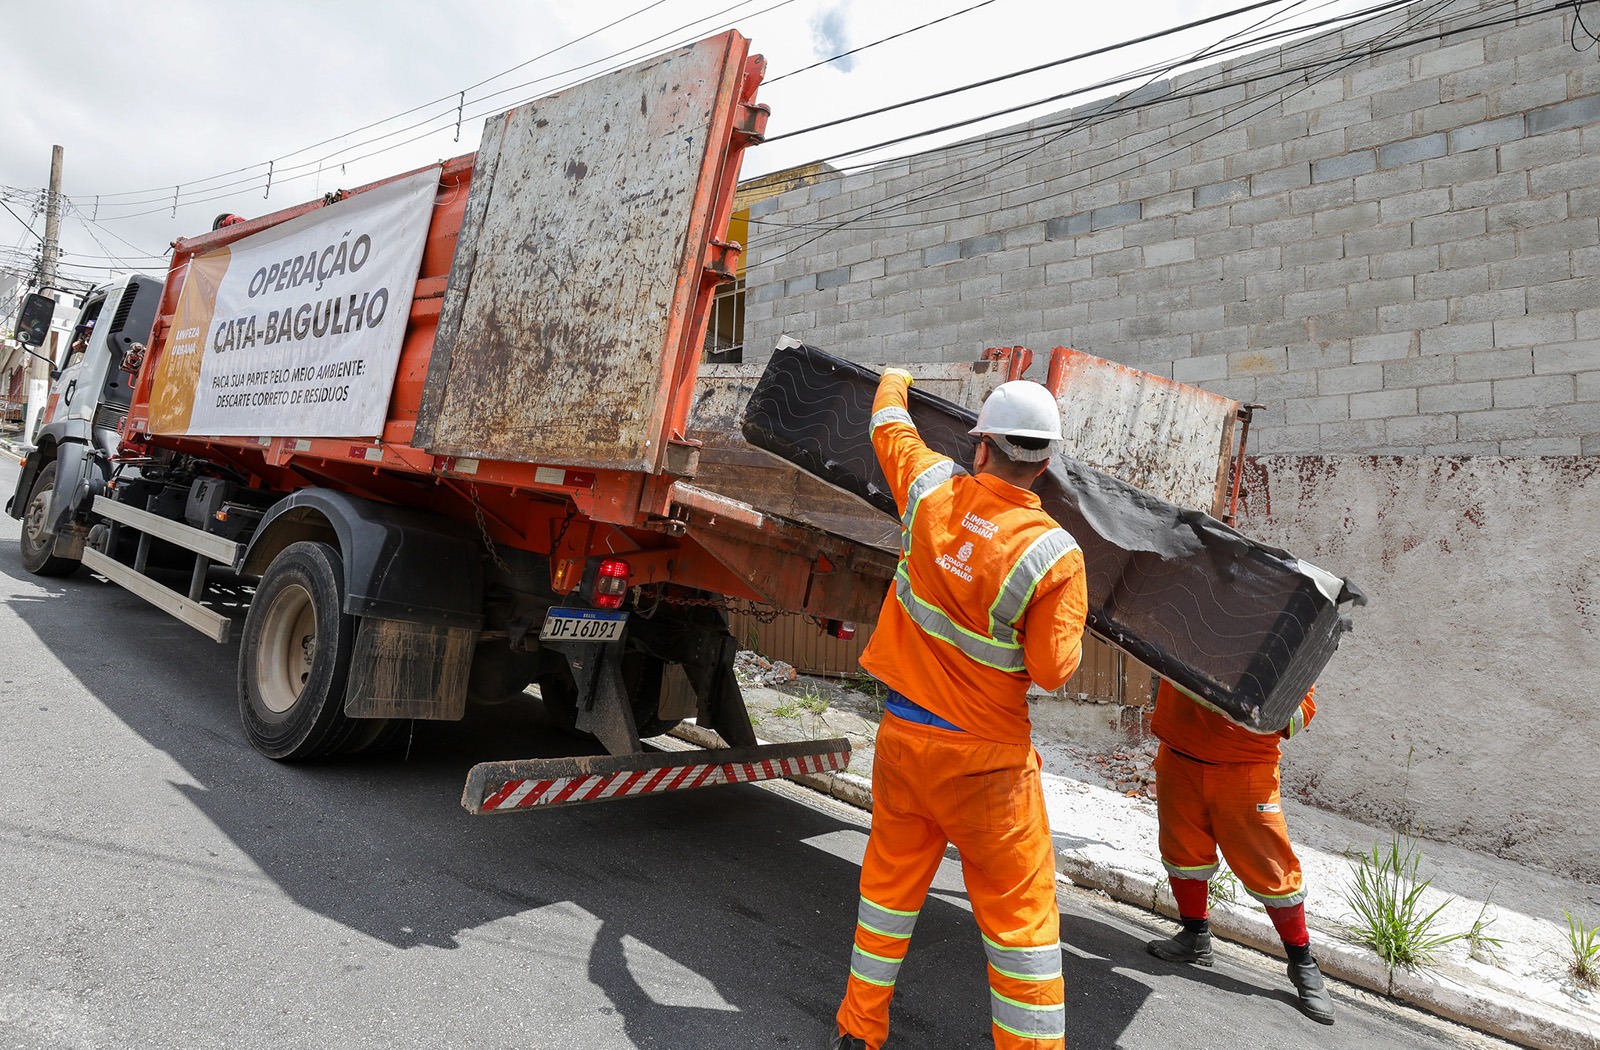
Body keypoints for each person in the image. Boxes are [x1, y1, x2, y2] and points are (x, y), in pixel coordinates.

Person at [829, 370, 1089, 1050]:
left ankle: (858, 1031)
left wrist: (897, 380)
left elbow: (890, 424)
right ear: (1046, 461)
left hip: (906, 743)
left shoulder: (928, 490)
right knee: (1022, 928)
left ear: (981, 448)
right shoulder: (1054, 556)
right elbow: (1053, 672)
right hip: (988, 769)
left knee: (887, 891)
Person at [1143, 678, 1335, 1026]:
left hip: (1245, 769)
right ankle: (1194, 936)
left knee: (1272, 868)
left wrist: (1259, 705)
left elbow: (1301, 708)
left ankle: (1303, 962)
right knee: (1182, 853)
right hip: (1179, 754)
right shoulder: (1190, 619)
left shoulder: (1288, 629)